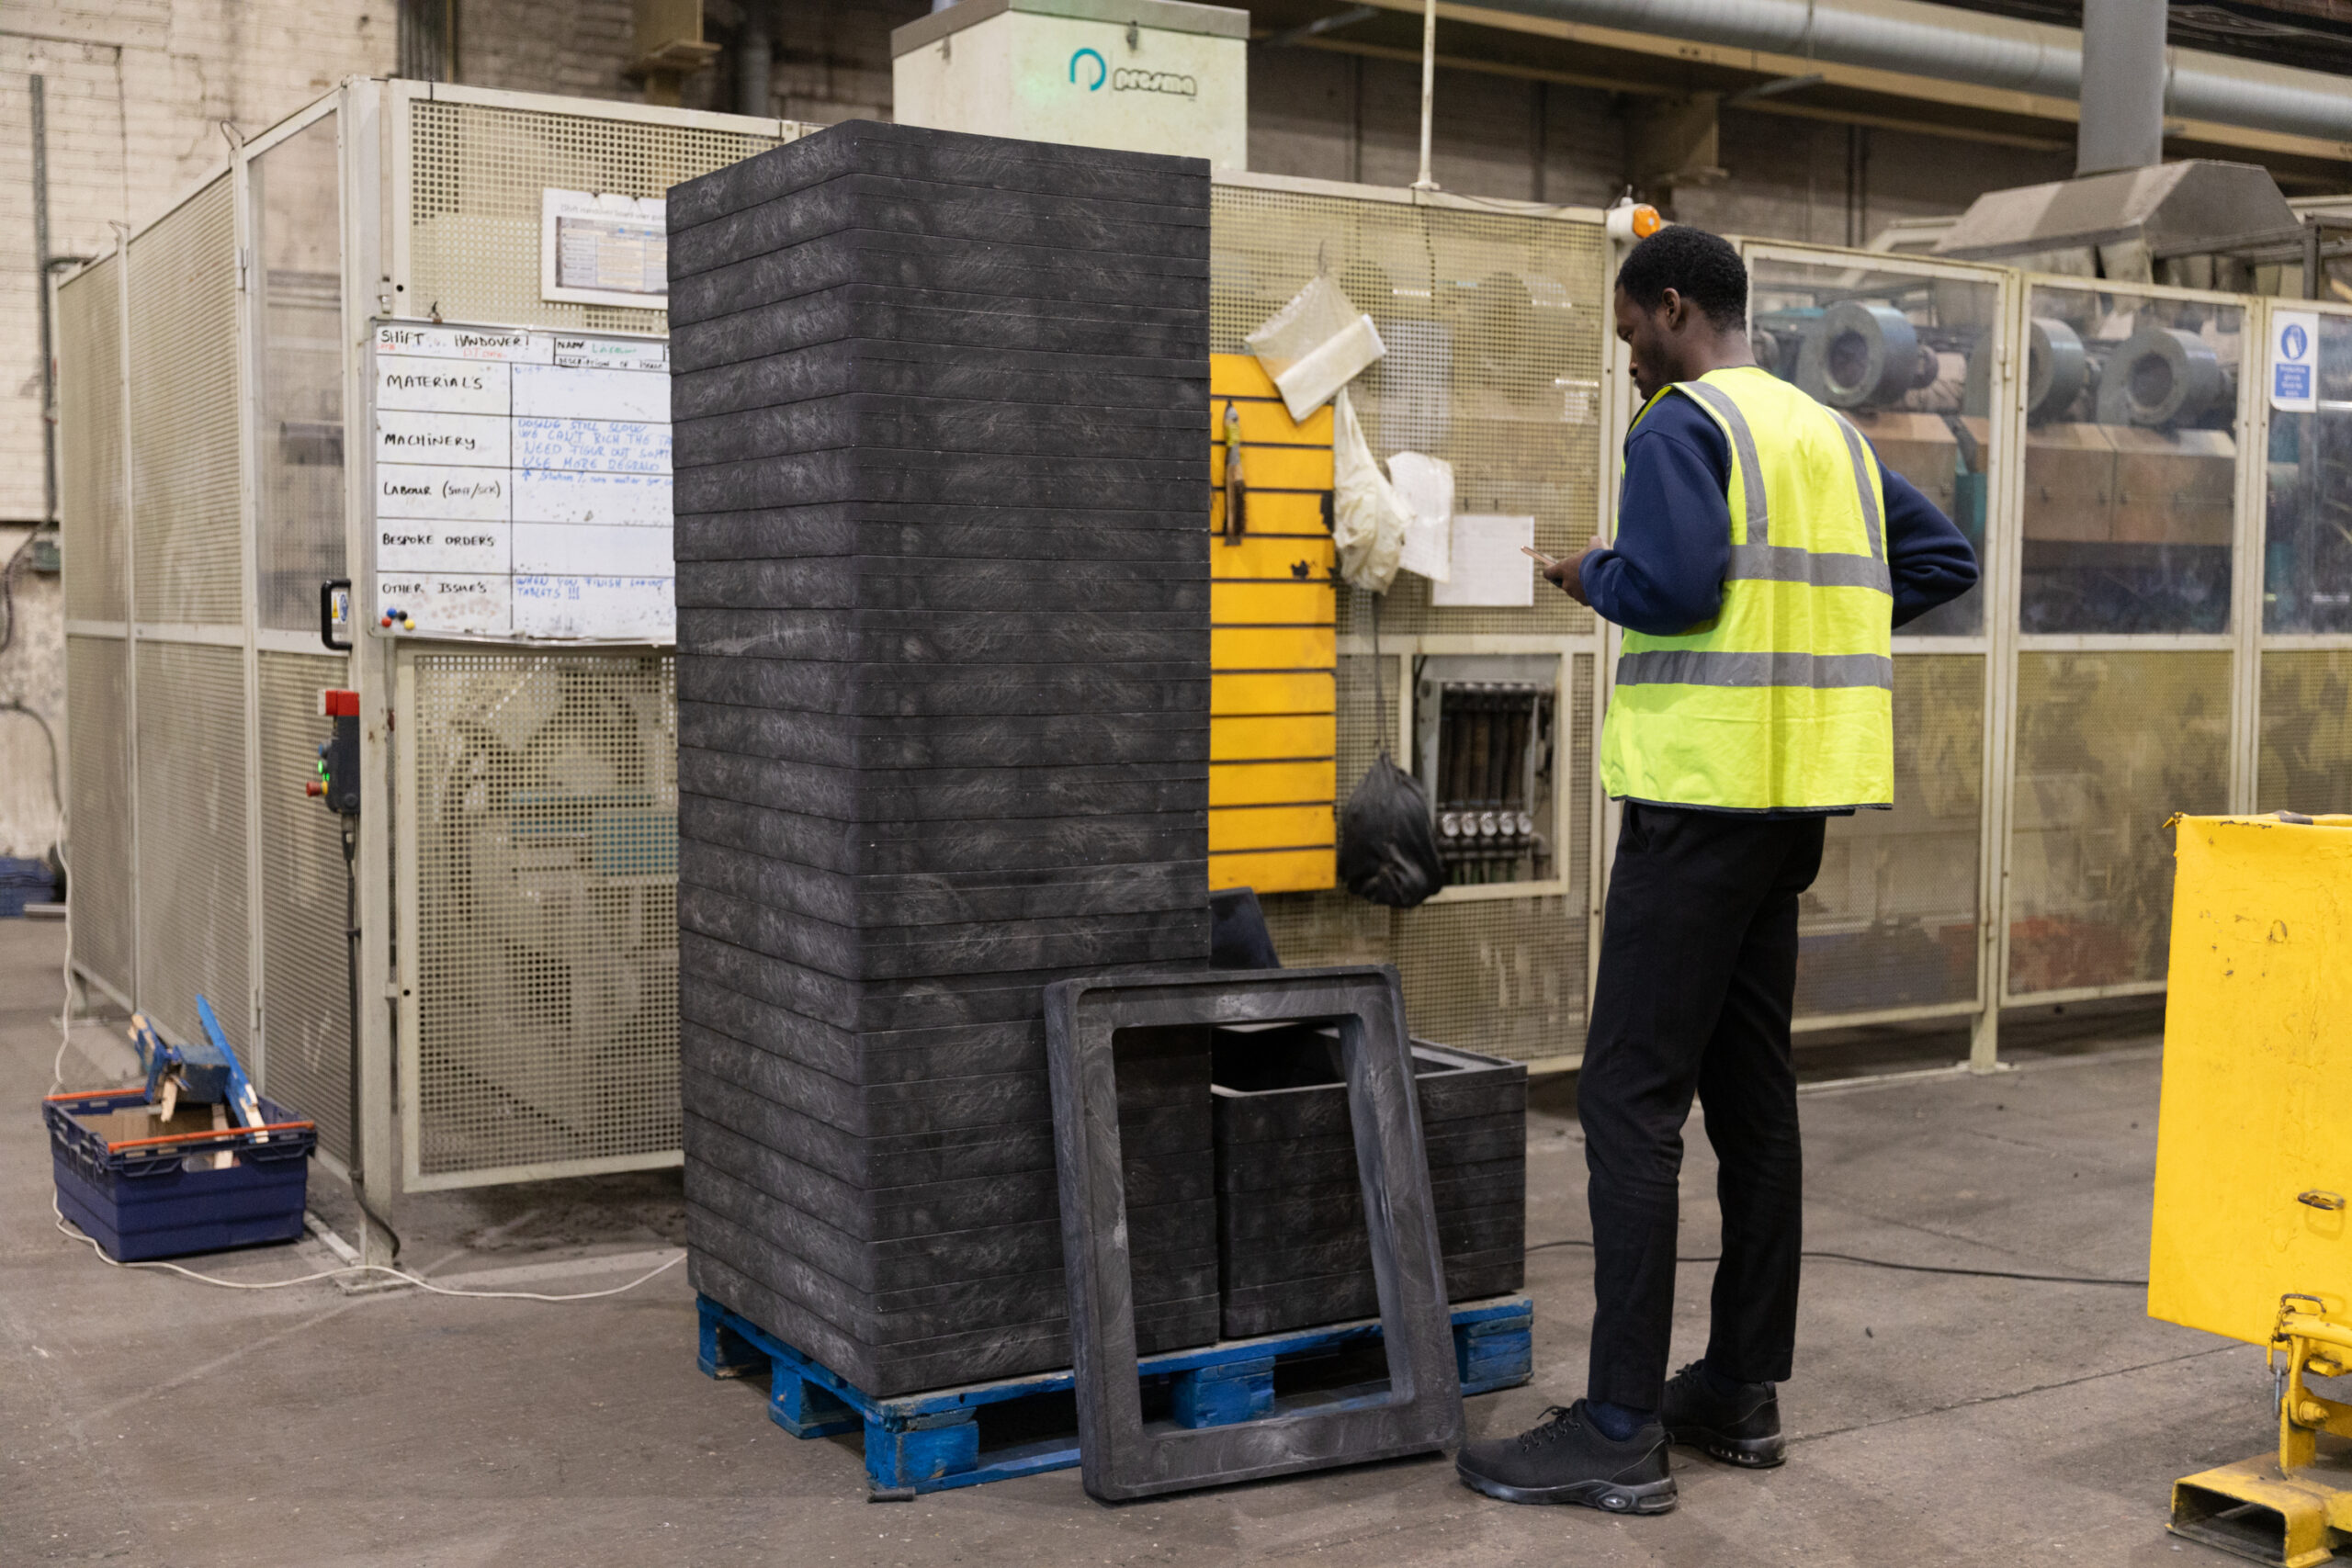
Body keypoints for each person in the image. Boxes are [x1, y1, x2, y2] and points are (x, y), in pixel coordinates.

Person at [1454, 226, 1979, 1514]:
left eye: (1632, 330)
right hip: (1790, 803)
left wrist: (1595, 575)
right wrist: (1807, 621)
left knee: (1632, 1101)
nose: (1631, 357)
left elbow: (1680, 588)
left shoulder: (1683, 427)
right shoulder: (1828, 438)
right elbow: (1940, 561)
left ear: (1674, 306)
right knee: (1752, 1097)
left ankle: (1623, 1425)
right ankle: (1740, 1387)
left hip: (1697, 806)